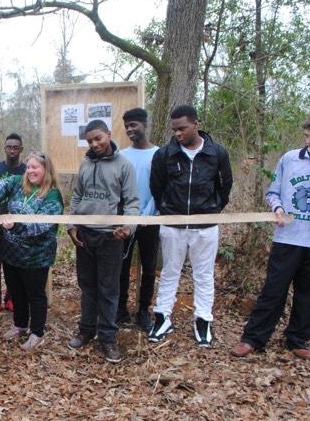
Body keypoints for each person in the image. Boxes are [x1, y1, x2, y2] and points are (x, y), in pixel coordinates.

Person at [148, 105, 233, 348]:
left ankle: (203, 320)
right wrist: (168, 209)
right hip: (173, 224)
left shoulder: (217, 153)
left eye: (182, 128)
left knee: (204, 275)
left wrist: (212, 209)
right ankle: (162, 316)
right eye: (174, 130)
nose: (177, 134)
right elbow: (157, 186)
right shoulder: (165, 154)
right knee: (169, 272)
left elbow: (224, 186)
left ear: (196, 124)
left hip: (205, 226)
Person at [231, 118, 310, 360]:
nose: (309, 141)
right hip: (288, 238)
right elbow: (273, 191)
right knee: (273, 290)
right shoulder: (290, 159)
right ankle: (253, 338)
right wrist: (277, 208)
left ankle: (297, 339)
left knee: (308, 293)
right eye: (308, 136)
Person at [66, 119, 139, 363]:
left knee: (109, 288)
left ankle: (107, 338)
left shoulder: (124, 166)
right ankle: (86, 330)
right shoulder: (85, 163)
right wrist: (72, 226)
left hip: (111, 236)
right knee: (87, 286)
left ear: (108, 134)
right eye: (90, 141)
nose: (95, 144)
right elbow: (76, 197)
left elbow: (131, 203)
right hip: (85, 235)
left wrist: (127, 228)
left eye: (98, 138)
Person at [0, 152, 63, 350]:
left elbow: (42, 225)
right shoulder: (20, 183)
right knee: (17, 293)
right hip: (11, 254)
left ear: (46, 169)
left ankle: (37, 332)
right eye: (28, 167)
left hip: (36, 257)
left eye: (35, 167)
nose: (30, 171)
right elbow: (5, 183)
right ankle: (20, 324)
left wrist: (15, 227)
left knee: (35, 295)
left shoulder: (52, 195)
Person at [116, 108, 160, 331]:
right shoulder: (122, 155)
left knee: (149, 267)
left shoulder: (159, 154)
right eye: (127, 127)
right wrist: (129, 217)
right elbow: (119, 188)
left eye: (134, 125)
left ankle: (143, 309)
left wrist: (147, 215)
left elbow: (160, 188)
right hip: (126, 220)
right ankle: (121, 310)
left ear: (144, 125)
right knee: (122, 265)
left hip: (150, 220)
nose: (130, 130)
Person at [0, 133, 26, 317]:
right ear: (5, 148)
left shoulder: (26, 171)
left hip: (17, 228)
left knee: (13, 264)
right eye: (9, 147)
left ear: (21, 149)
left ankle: (10, 298)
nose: (12, 150)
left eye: (16, 147)